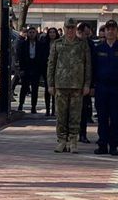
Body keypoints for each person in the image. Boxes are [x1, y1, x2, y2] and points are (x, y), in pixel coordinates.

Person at [47, 18, 92, 153]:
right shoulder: (57, 44)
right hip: (60, 85)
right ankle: (62, 141)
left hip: (77, 86)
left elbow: (88, 65)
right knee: (61, 115)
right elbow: (51, 65)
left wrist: (87, 84)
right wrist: (50, 84)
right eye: (68, 28)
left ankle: (73, 141)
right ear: (64, 28)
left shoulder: (82, 45)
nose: (70, 30)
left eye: (73, 28)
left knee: (75, 116)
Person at [91, 20, 118, 156]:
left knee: (116, 117)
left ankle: (114, 145)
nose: (110, 32)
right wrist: (92, 86)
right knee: (102, 117)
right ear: (105, 31)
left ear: (117, 32)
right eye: (108, 29)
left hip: (117, 88)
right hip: (101, 87)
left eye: (113, 29)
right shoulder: (98, 49)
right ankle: (102, 143)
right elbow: (93, 69)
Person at [17, 26, 46, 113]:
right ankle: (21, 104)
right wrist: (21, 69)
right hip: (26, 68)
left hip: (36, 68)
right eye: (30, 32)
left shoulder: (40, 44)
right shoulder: (23, 44)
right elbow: (20, 56)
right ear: (27, 34)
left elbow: (42, 57)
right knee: (24, 87)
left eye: (33, 32)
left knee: (35, 89)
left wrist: (40, 69)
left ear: (36, 33)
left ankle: (33, 106)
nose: (32, 34)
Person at [78, 22, 96, 143]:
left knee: (84, 111)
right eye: (85, 34)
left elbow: (93, 65)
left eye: (88, 34)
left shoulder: (90, 44)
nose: (86, 36)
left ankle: (82, 134)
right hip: (71, 83)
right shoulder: (71, 43)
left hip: (85, 83)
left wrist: (91, 84)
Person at [41, 27, 59, 116]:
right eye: (50, 32)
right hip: (46, 68)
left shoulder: (59, 43)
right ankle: (48, 109)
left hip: (57, 69)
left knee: (55, 90)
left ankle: (54, 110)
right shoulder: (44, 43)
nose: (52, 34)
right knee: (48, 89)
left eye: (54, 32)